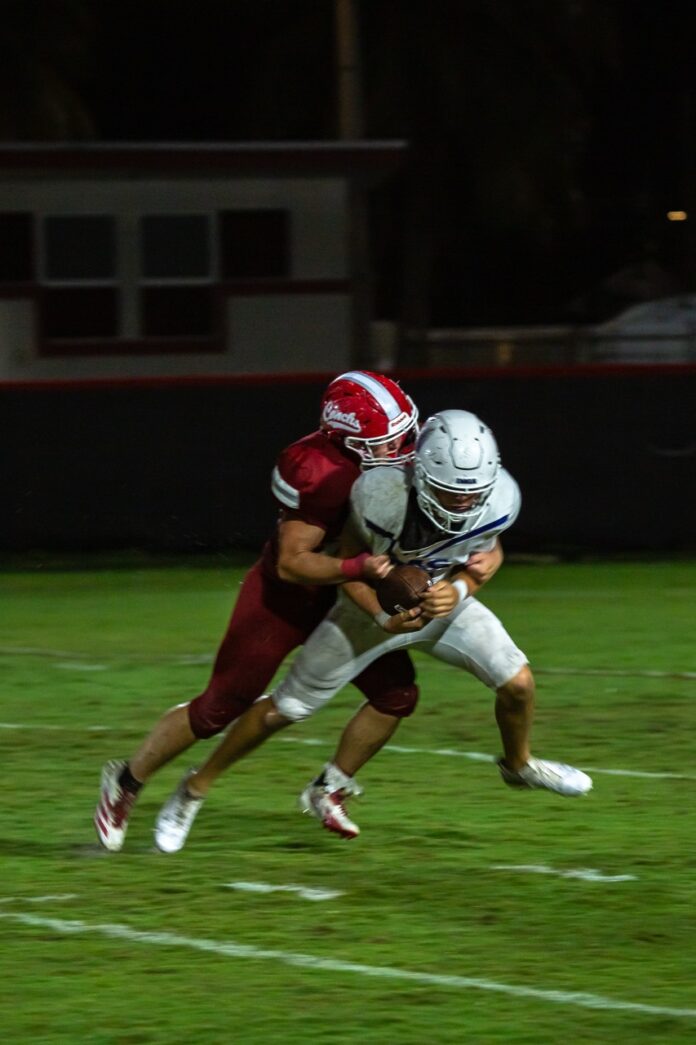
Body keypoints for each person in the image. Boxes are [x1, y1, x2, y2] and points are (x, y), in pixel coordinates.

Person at [153, 409, 592, 847]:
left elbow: (487, 557)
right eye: (449, 491)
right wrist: (382, 616)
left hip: (441, 603)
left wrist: (458, 590)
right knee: (286, 708)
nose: (462, 503)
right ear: (422, 474)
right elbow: (349, 568)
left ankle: (518, 766)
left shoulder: (501, 498)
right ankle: (195, 787)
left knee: (518, 683)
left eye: (472, 493)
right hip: (365, 612)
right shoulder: (381, 495)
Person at [94, 370, 422, 852]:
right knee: (218, 708)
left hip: (351, 593)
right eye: (387, 443)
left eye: (406, 435)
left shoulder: (410, 458)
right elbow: (292, 563)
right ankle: (126, 781)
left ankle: (329, 788)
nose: (403, 451)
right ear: (346, 440)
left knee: (397, 695)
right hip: (289, 598)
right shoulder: (316, 468)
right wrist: (361, 567)